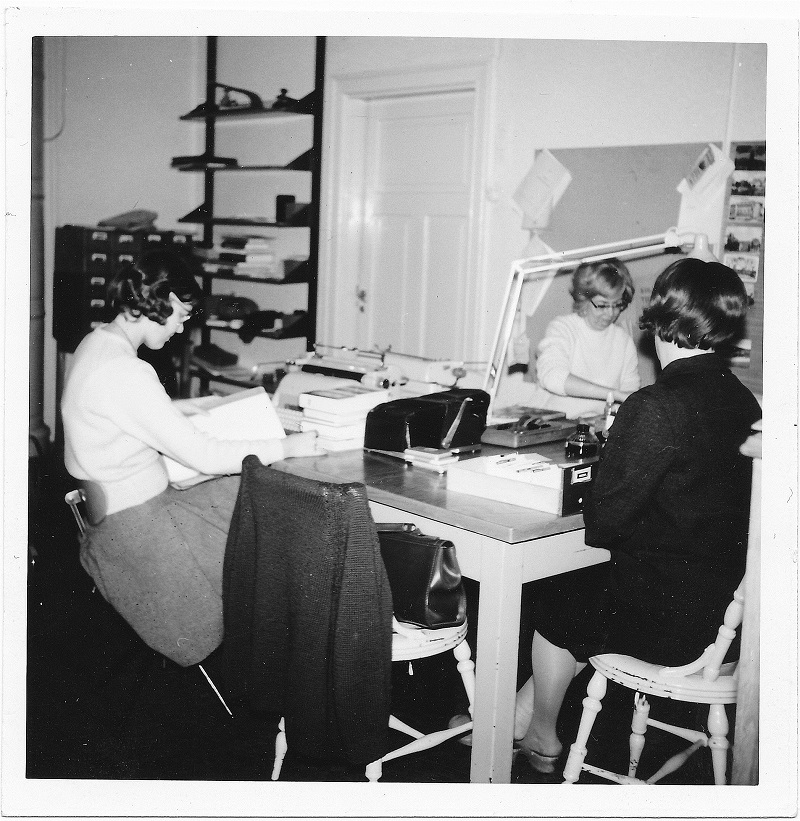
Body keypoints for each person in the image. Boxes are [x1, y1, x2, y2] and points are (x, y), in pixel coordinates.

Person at [509, 256, 762, 774]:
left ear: (659, 317)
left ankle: (542, 736)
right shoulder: (744, 402)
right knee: (593, 595)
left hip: (670, 624)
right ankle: (517, 716)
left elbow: (604, 522)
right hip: (725, 617)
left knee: (558, 596)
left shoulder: (655, 403)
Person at [61, 250, 322, 668]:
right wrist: (288, 447)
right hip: (139, 525)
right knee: (276, 515)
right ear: (161, 302)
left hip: (120, 511)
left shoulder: (97, 344)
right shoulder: (125, 372)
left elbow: (127, 415)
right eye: (182, 316)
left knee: (251, 501)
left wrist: (187, 410)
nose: (182, 327)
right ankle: (296, 651)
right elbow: (204, 456)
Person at [532, 258, 641, 418]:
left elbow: (630, 395)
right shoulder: (563, 328)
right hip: (553, 423)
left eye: (617, 305)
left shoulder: (623, 341)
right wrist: (614, 394)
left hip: (595, 426)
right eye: (602, 305)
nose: (610, 313)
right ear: (584, 299)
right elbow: (552, 377)